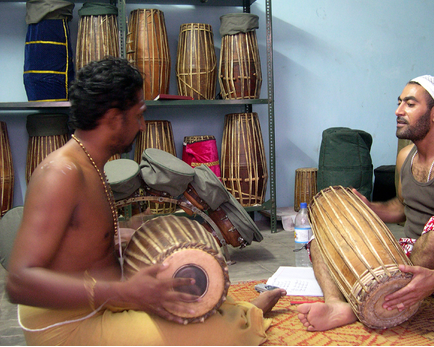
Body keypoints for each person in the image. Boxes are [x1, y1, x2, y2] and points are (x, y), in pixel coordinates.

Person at [6, 57, 285, 346]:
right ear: (114, 118)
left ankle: (241, 315)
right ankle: (243, 320)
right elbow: (20, 282)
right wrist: (126, 293)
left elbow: (74, 241)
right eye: (138, 115)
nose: (141, 126)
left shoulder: (89, 164)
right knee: (217, 333)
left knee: (203, 301)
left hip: (103, 304)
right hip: (69, 325)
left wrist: (113, 239)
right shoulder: (60, 174)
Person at [297, 75, 434, 331]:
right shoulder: (406, 156)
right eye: (399, 102)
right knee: (323, 238)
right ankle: (338, 304)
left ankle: (386, 301)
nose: (398, 110)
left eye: (410, 104)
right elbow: (402, 208)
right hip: (410, 259)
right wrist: (366, 209)